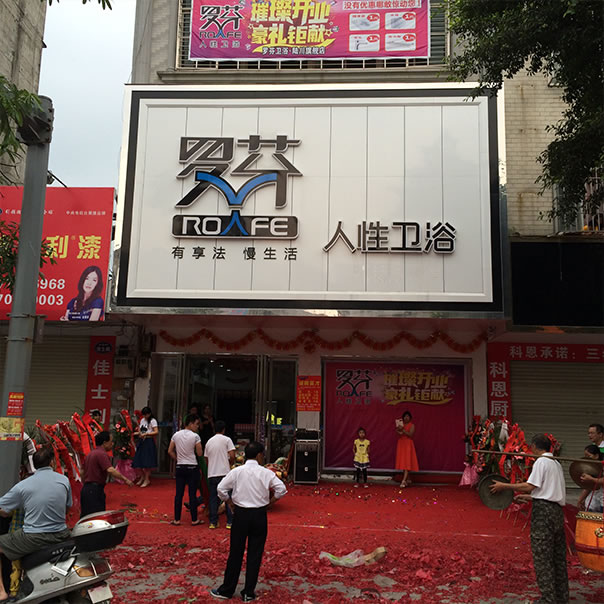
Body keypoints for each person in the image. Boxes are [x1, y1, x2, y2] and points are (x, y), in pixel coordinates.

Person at [490, 433, 568, 604]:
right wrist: (530, 498)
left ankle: (548, 599)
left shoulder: (541, 462)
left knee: (543, 557)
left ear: (533, 447)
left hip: (544, 514)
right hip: (556, 511)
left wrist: (504, 486)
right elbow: (549, 491)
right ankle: (561, 598)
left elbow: (529, 485)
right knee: (557, 558)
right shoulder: (556, 463)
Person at [210, 441, 287, 602]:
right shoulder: (265, 473)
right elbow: (281, 489)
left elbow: (221, 489)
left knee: (235, 553)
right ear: (259, 455)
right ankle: (248, 592)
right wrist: (270, 502)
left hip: (241, 514)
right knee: (255, 554)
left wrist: (229, 502)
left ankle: (227, 589)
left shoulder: (237, 471)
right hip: (259, 515)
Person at [0, 448, 72, 602]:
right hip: (62, 534)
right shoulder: (64, 480)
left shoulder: (23, 485)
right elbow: (67, 508)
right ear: (52, 462)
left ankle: (1, 593)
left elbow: (3, 508)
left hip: (33, 537)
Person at [81, 431, 134, 518]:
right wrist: (125, 479)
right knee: (96, 517)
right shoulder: (101, 454)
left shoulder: (91, 453)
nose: (112, 444)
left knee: (86, 517)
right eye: (111, 442)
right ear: (105, 443)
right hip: (95, 490)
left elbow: (82, 471)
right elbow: (110, 470)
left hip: (87, 488)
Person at [168, 414, 203, 526]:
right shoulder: (195, 436)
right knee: (192, 494)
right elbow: (199, 453)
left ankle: (177, 519)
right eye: (196, 424)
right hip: (192, 466)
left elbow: (170, 451)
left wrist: (178, 459)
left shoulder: (176, 435)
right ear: (191, 423)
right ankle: (194, 519)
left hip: (180, 466)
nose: (197, 426)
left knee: (179, 494)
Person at [204, 420, 236, 529]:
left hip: (212, 473)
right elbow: (232, 455)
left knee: (213, 498)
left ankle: (213, 522)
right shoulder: (227, 440)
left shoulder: (209, 442)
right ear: (224, 430)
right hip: (224, 473)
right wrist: (230, 463)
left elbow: (206, 458)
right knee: (228, 497)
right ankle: (230, 522)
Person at [132, 407, 158, 488]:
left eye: (146, 415)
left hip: (149, 441)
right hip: (142, 441)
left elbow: (156, 431)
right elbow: (141, 430)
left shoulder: (153, 421)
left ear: (149, 414)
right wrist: (137, 433)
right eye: (143, 415)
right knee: (138, 460)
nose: (144, 416)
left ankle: (147, 479)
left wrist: (146, 434)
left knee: (147, 461)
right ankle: (142, 477)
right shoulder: (142, 420)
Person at [395, 411, 419, 488]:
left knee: (407, 461)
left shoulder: (412, 425)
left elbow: (410, 435)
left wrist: (403, 430)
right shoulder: (401, 424)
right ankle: (407, 478)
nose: (406, 418)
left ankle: (403, 480)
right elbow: (399, 434)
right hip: (401, 443)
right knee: (403, 462)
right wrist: (398, 429)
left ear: (410, 418)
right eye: (405, 416)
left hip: (408, 444)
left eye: (408, 416)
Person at [577, 445, 603, 513]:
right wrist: (580, 500)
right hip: (593, 502)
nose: (587, 459)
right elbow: (588, 487)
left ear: (596, 456)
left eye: (589, 456)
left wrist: (591, 479)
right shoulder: (590, 468)